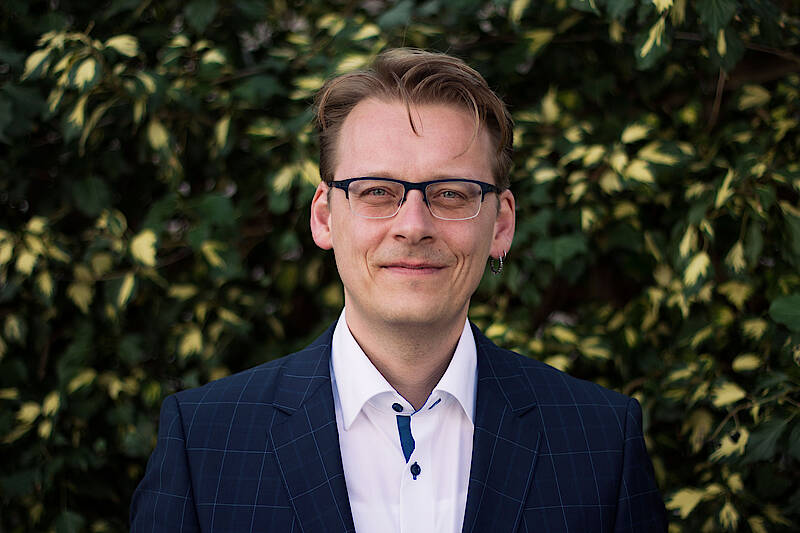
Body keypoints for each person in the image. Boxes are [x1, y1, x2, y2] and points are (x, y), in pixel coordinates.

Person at [131, 48, 667, 533]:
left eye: (452, 193)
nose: (413, 226)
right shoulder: (205, 441)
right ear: (324, 216)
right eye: (377, 191)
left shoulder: (600, 442)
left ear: (501, 224)